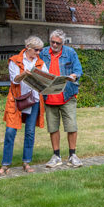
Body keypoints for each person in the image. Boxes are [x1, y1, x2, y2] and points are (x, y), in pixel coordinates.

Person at [0, 36, 48, 176]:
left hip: (34, 100)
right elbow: (14, 81)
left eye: (40, 50)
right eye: (36, 50)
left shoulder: (40, 62)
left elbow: (46, 79)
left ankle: (26, 162)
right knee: (10, 132)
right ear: (28, 48)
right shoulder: (15, 60)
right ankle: (5, 165)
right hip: (17, 101)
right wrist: (23, 74)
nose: (38, 53)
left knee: (30, 132)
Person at [40, 29, 83, 168]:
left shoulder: (70, 53)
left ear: (62, 43)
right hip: (49, 96)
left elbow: (78, 70)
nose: (54, 45)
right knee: (53, 127)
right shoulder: (43, 53)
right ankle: (56, 156)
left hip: (67, 96)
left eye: (58, 43)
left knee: (71, 126)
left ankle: (72, 155)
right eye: (52, 42)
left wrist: (73, 76)